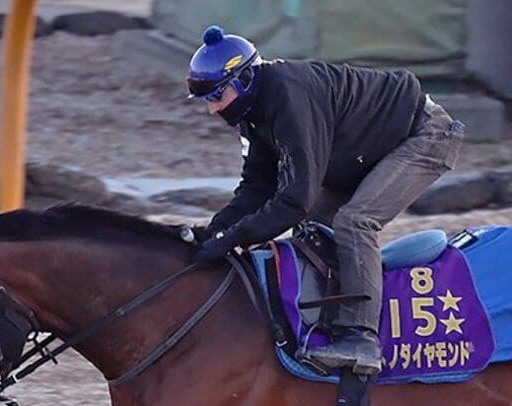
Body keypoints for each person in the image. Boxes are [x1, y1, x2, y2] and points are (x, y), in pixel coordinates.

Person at [186, 25, 464, 375]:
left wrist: (233, 238)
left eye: (215, 97)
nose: (212, 111)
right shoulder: (252, 113)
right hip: (366, 147)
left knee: (354, 221)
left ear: (242, 81)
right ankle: (324, 323)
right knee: (313, 229)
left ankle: (361, 339)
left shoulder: (289, 97)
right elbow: (256, 188)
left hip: (424, 134)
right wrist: (214, 231)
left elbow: (294, 200)